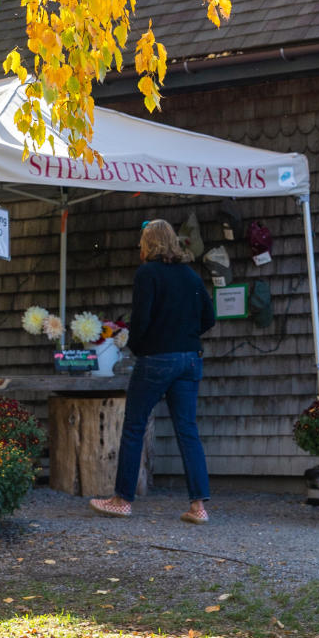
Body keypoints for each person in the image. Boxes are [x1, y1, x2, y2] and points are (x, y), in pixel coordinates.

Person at [90, 218, 216, 523]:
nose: (138, 246)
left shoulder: (147, 274)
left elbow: (141, 319)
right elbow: (209, 318)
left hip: (157, 359)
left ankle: (122, 500)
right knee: (187, 430)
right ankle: (199, 507)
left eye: (142, 241)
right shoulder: (190, 275)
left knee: (134, 427)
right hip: (190, 360)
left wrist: (138, 346)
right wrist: (185, 335)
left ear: (151, 243)